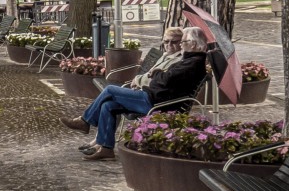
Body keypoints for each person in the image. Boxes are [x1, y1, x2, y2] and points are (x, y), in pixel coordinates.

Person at [60, 26, 209, 161]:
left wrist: (157, 75)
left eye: (183, 42)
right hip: (154, 97)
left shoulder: (192, 63)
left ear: (193, 44)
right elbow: (165, 79)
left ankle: (85, 121)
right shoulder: (190, 60)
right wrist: (159, 75)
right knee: (108, 105)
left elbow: (162, 81)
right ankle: (106, 148)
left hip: (156, 103)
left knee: (110, 90)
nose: (181, 45)